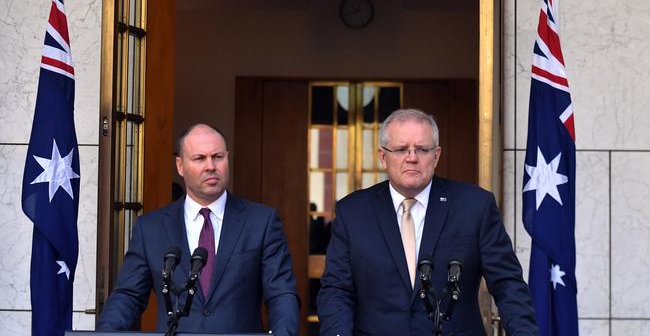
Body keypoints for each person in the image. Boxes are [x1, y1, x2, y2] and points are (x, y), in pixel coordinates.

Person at [317, 109, 538, 335]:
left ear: (437, 155)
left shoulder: (475, 207)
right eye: (401, 149)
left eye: (422, 149)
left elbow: (508, 284)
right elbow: (336, 290)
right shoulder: (353, 212)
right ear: (383, 157)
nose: (412, 157)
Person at [96, 123, 299, 335]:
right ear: (180, 165)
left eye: (218, 157)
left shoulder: (261, 221)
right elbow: (129, 296)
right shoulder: (151, 229)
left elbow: (281, 294)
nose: (211, 166)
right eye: (200, 158)